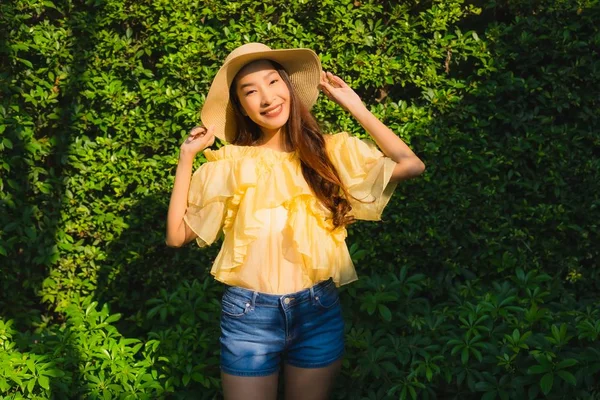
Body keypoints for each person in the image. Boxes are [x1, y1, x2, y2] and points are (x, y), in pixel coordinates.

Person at [165, 43, 425, 400]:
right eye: (251, 91)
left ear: (288, 87)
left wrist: (355, 107)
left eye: (273, 82)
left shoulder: (329, 154)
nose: (267, 97)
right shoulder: (227, 165)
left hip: (317, 311)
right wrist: (185, 158)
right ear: (241, 106)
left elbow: (411, 165)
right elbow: (177, 236)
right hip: (249, 317)